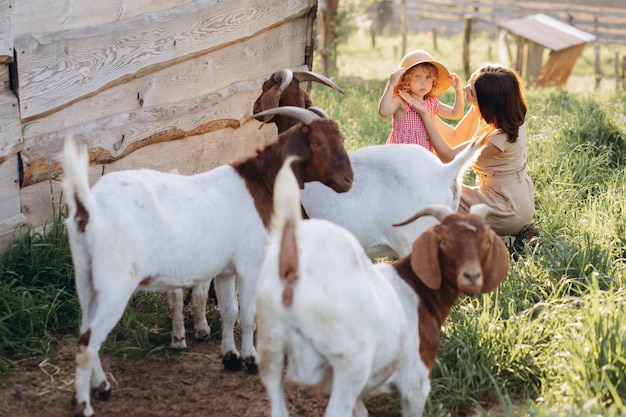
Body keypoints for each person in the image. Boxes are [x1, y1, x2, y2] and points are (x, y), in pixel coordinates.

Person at [404, 63, 534, 236]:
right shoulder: (490, 110)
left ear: (487, 101)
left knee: (431, 190)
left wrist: (425, 115)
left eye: (471, 90)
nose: (465, 89)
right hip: (502, 194)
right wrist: (425, 105)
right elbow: (456, 137)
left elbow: (449, 156)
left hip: (506, 208)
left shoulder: (500, 137)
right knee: (430, 187)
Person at [378, 49, 464, 151]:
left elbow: (456, 114)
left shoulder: (431, 102)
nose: (423, 82)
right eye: (417, 77)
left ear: (433, 80)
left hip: (423, 154)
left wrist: (458, 90)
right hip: (401, 153)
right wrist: (391, 85)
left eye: (428, 77)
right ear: (406, 80)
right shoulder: (402, 100)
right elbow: (383, 112)